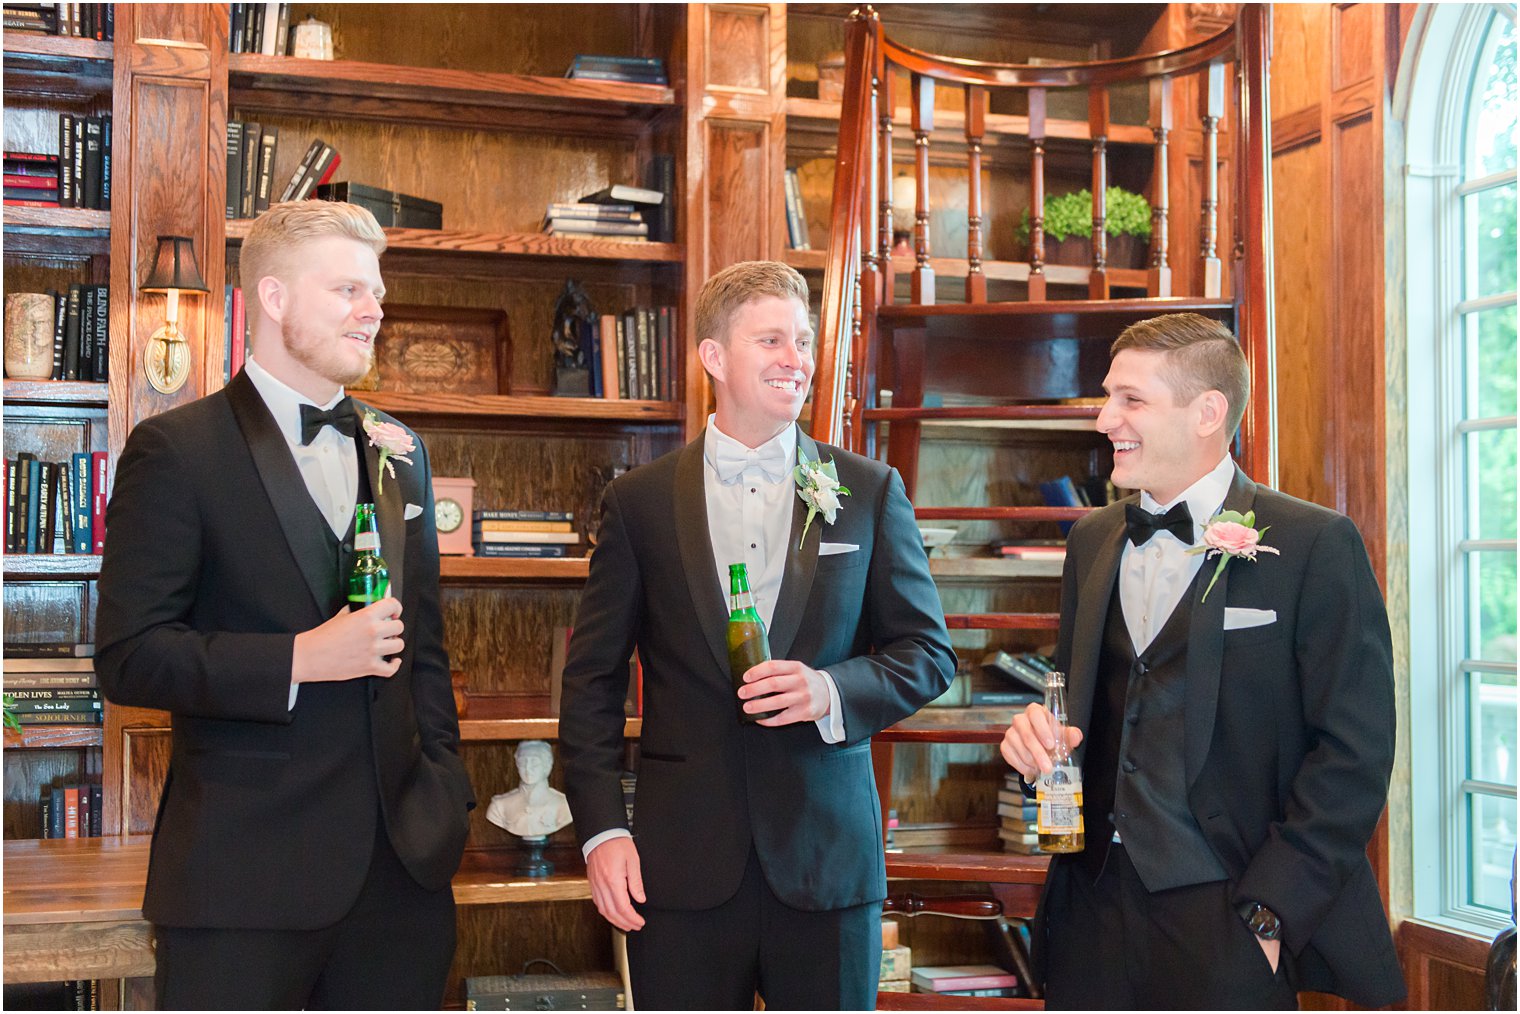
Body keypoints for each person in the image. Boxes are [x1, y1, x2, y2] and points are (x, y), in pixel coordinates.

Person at [96, 200, 473, 1010]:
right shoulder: (176, 451)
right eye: (346, 289)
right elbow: (130, 656)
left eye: (375, 291)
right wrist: (303, 659)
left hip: (401, 879)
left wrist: (445, 794)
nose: (373, 309)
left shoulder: (402, 451)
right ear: (272, 298)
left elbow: (427, 652)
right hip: (242, 881)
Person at [558, 260, 955, 1010]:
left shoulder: (867, 492)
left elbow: (928, 655)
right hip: (679, 867)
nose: (796, 359)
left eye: (802, 341)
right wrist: (603, 832)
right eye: (771, 339)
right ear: (713, 356)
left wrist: (830, 689)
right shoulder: (639, 503)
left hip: (828, 864)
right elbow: (591, 684)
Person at [999, 313, 1405, 1009]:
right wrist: (1036, 739)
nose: (1104, 421)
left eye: (1131, 400)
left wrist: (1270, 914)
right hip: (1091, 915)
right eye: (1107, 397)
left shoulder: (1315, 545)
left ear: (1207, 412)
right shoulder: (1093, 540)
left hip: (1232, 913)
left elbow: (1355, 752)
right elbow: (1078, 706)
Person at [486, 740, 573, 838]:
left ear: (547, 766)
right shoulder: (499, 806)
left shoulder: (564, 805)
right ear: (517, 765)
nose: (528, 769)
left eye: (534, 763)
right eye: (523, 763)